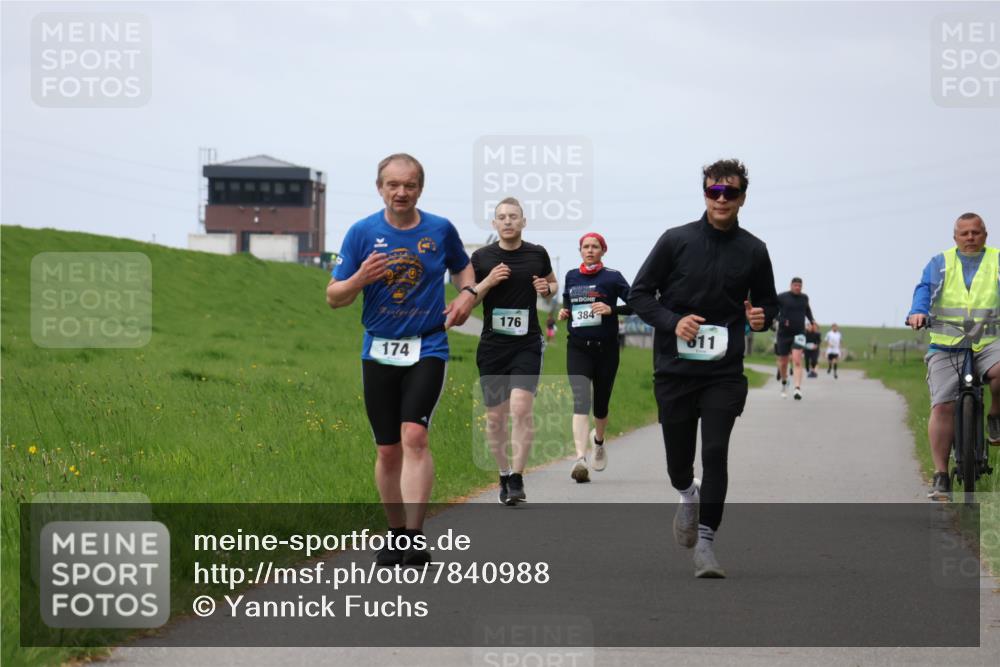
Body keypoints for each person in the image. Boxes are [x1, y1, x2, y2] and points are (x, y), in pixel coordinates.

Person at [629, 159, 777, 578]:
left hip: (723, 372)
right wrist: (673, 321)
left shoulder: (754, 249)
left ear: (743, 197)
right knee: (680, 461)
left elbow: (769, 302)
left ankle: (707, 545)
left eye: (731, 192)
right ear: (706, 194)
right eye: (715, 191)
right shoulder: (675, 240)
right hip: (675, 369)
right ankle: (686, 494)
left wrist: (763, 317)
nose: (722, 199)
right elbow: (640, 294)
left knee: (714, 452)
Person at [326, 153, 476, 565]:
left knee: (414, 436)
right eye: (393, 185)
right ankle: (394, 533)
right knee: (388, 448)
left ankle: (413, 535)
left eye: (409, 185)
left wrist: (467, 295)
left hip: (427, 345)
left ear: (420, 189)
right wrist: (360, 278)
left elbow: (464, 271)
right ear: (380, 188)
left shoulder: (440, 230)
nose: (401, 192)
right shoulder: (361, 233)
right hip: (378, 348)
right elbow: (334, 297)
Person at [470, 197, 558, 506]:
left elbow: (552, 284)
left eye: (513, 217)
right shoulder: (481, 258)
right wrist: (489, 282)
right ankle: (504, 474)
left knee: (521, 408)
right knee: (495, 419)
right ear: (494, 224)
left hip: (527, 343)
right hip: (493, 346)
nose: (507, 221)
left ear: (523, 222)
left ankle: (518, 478)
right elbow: (469, 298)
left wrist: (547, 290)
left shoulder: (537, 254)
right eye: (502, 217)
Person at [906, 212, 1000, 500]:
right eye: (964, 233)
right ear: (955, 237)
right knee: (942, 406)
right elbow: (924, 290)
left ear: (985, 234)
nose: (970, 238)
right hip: (948, 343)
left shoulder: (996, 260)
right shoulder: (940, 263)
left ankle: (995, 415)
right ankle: (941, 475)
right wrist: (918, 312)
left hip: (989, 341)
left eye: (976, 232)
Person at [557, 232, 632, 483]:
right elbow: (567, 298)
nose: (590, 250)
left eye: (595, 247)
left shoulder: (612, 277)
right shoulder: (571, 275)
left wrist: (612, 309)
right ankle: (579, 459)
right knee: (580, 400)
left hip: (607, 349)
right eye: (585, 247)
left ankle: (598, 442)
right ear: (580, 250)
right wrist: (565, 310)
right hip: (578, 347)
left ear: (603, 250)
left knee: (601, 404)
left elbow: (635, 303)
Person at [775, 277, 815, 400]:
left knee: (797, 360)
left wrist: (812, 321)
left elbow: (807, 310)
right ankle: (784, 382)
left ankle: (797, 388)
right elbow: (774, 311)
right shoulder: (782, 297)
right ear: (791, 285)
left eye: (799, 286)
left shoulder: (804, 298)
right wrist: (782, 320)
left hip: (799, 333)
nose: (797, 287)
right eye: (795, 285)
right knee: (783, 362)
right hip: (784, 334)